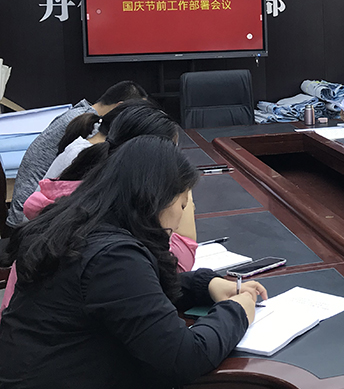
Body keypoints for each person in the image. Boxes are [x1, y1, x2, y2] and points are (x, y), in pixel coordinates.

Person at [0, 136, 266, 389]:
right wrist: (237, 312)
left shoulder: (79, 228)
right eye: (183, 205)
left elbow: (128, 298)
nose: (179, 219)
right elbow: (184, 357)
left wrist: (203, 285)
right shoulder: (112, 257)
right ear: (158, 198)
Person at [4, 105, 199, 313]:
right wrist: (181, 191)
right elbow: (174, 270)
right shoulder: (108, 221)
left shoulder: (87, 187)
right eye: (172, 158)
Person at [7, 80, 148, 228]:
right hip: (30, 217)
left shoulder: (80, 115)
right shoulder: (92, 130)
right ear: (120, 107)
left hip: (31, 209)